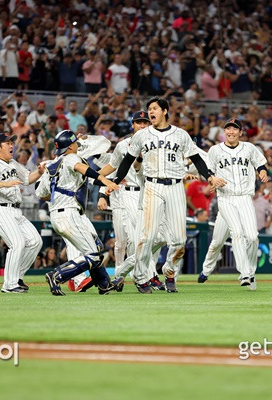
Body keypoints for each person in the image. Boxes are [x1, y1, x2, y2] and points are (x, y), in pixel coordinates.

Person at [109, 97, 226, 294]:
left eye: (154, 109)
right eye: (148, 109)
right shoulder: (142, 136)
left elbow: (196, 159)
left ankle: (169, 271)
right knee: (147, 238)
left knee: (179, 240)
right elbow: (127, 160)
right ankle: (140, 278)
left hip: (175, 187)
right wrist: (113, 180)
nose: (150, 112)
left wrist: (210, 177)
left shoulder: (180, 135)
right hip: (152, 186)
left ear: (164, 111)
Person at [39, 130, 123, 296]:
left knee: (97, 247)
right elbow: (81, 167)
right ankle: (57, 275)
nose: (77, 145)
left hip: (60, 213)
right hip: (69, 214)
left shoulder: (52, 165)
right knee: (93, 255)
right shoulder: (71, 157)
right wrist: (105, 180)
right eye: (75, 143)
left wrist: (61, 195)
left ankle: (104, 284)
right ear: (70, 146)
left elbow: (42, 193)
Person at [197, 118, 269, 289]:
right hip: (226, 199)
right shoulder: (215, 150)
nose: (231, 132)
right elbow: (208, 170)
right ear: (224, 132)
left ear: (240, 132)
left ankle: (250, 272)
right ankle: (216, 271)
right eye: (228, 129)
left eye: (234, 129)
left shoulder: (249, 148)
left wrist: (263, 172)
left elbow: (260, 163)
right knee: (228, 237)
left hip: (244, 197)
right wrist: (213, 180)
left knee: (252, 236)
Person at [97, 111, 165, 290]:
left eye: (145, 122)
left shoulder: (156, 144)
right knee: (134, 241)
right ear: (133, 125)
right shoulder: (122, 145)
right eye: (139, 123)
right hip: (128, 194)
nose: (142, 125)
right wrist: (99, 183)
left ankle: (120, 273)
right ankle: (146, 276)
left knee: (160, 237)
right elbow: (112, 168)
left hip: (150, 192)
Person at [0, 133, 44, 293]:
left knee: (35, 241)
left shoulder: (13, 163)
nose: (11, 145)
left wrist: (40, 172)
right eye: (7, 143)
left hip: (15, 210)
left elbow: (27, 178)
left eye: (11, 142)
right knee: (17, 243)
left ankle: (17, 277)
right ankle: (9, 284)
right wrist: (5, 184)